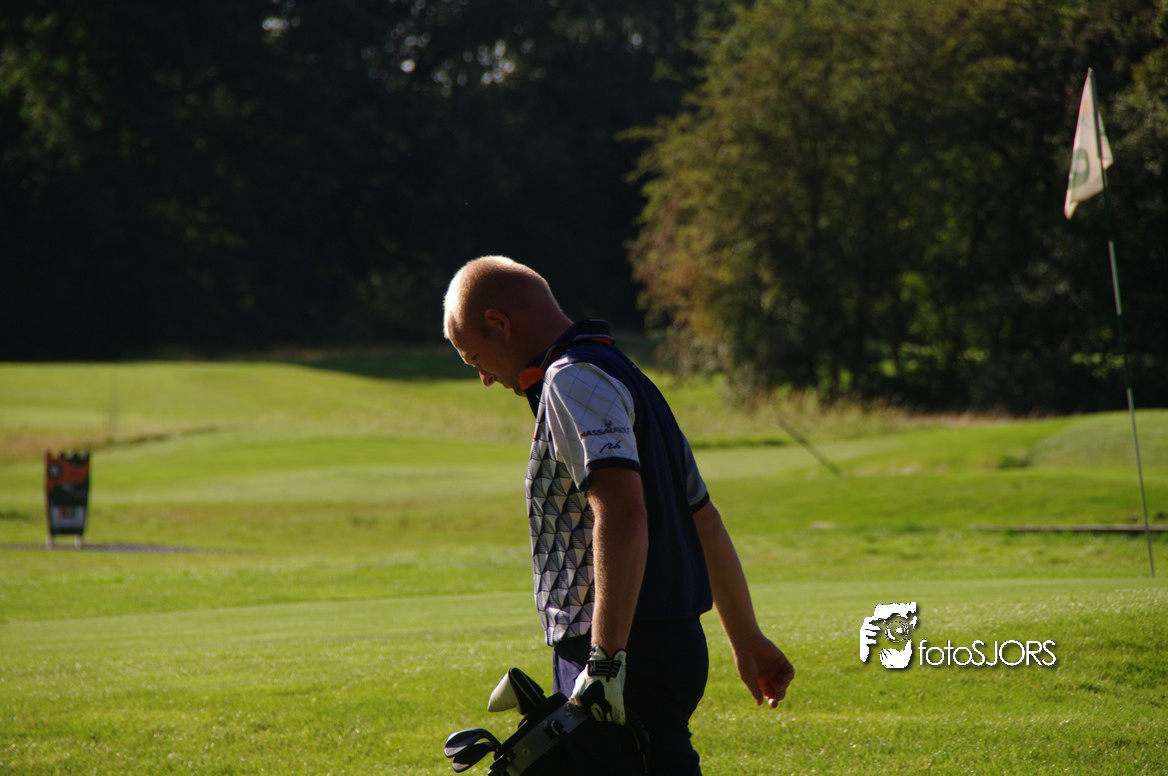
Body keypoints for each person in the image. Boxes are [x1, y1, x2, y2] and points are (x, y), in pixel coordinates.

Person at [442, 256, 794, 775]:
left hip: (620, 652)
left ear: (499, 323)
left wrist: (605, 661)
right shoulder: (627, 376)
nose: (484, 378)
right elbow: (702, 518)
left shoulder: (571, 379)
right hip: (659, 645)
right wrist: (746, 638)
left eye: (475, 357)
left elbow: (623, 512)